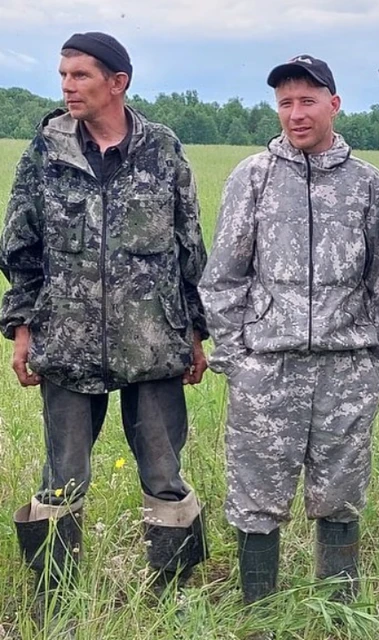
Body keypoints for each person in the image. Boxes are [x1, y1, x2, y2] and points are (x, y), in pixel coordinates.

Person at [0, 31, 209, 619]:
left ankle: (171, 599)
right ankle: (55, 602)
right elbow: (21, 248)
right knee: (61, 480)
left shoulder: (162, 150)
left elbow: (188, 247)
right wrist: (22, 330)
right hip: (66, 342)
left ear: (118, 83)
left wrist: (195, 331)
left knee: (165, 478)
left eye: (81, 75)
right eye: (63, 75)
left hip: (154, 341)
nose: (67, 86)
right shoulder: (45, 150)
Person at [199, 55, 379, 613]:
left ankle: (338, 609)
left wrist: (377, 358)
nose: (295, 113)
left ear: (334, 105)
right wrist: (237, 358)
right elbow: (223, 277)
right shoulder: (253, 178)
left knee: (340, 494)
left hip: (346, 369)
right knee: (256, 494)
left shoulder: (367, 185)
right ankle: (259, 611)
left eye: (307, 101)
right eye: (285, 103)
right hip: (268, 369)